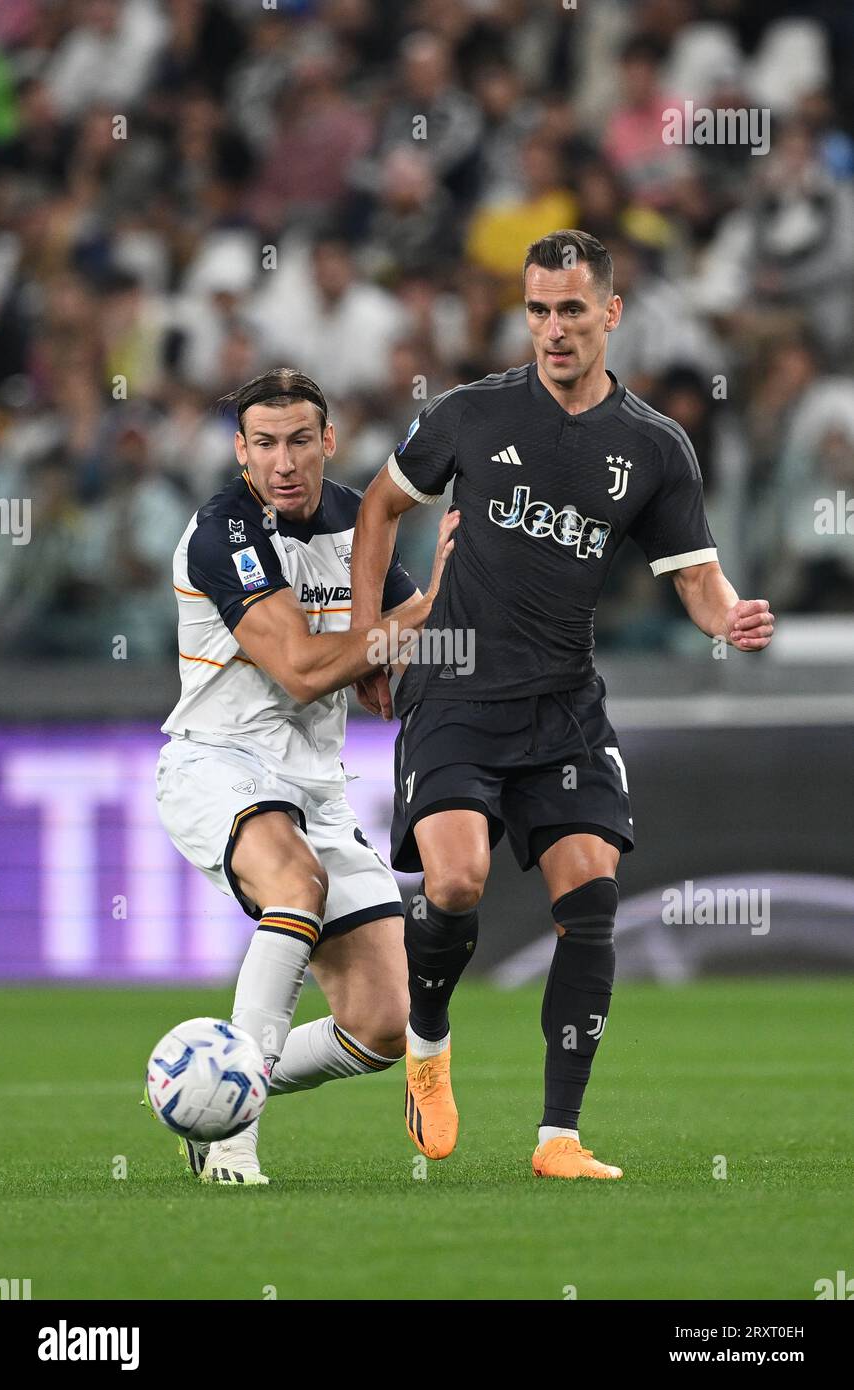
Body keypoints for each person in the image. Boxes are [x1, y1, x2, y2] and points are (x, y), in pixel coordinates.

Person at [349, 230, 775, 1180]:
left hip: (563, 707)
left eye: (571, 310)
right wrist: (376, 634)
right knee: (455, 883)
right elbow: (380, 505)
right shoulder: (469, 412)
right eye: (537, 310)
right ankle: (425, 1043)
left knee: (590, 901)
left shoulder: (655, 446)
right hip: (456, 686)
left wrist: (728, 617)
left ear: (610, 314)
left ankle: (559, 1139)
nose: (552, 329)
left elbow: (695, 575)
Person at [153, 367, 456, 1184]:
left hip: (316, 787)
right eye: (263, 443)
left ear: (329, 440)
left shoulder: (362, 522)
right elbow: (298, 668)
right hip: (217, 763)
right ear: (241, 451)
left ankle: (207, 1091)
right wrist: (420, 611)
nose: (282, 462)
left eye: (298, 441)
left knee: (384, 1025)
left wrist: (413, 646)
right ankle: (230, 1146)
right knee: (296, 883)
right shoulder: (224, 530)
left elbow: (389, 656)